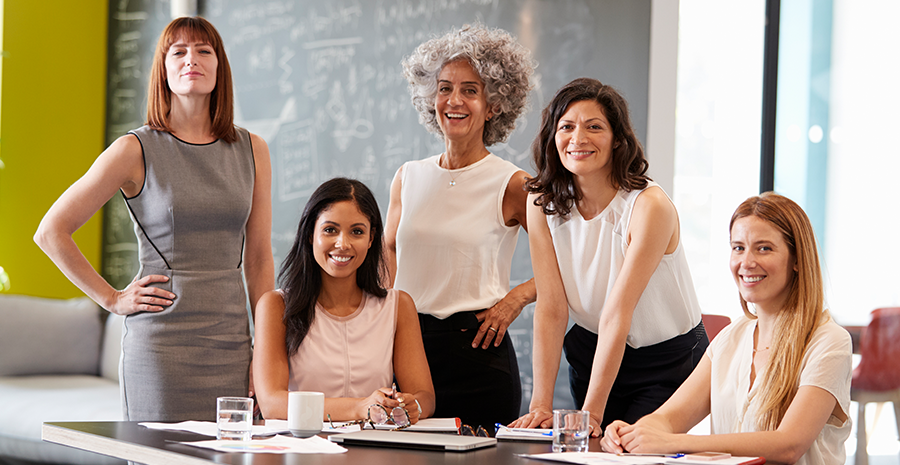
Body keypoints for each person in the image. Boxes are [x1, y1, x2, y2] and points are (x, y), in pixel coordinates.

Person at [34, 17, 274, 422]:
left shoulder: (253, 149)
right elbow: (50, 232)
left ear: (220, 66)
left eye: (203, 50)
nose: (190, 60)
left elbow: (259, 260)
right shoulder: (134, 148)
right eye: (177, 52)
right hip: (161, 347)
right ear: (163, 69)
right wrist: (112, 299)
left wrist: (265, 349)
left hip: (231, 344)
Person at [511, 78, 708, 435]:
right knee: (589, 453)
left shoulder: (649, 206)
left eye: (594, 127)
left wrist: (592, 415)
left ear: (618, 139)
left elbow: (619, 313)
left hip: (667, 360)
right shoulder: (542, 201)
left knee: (631, 450)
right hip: (592, 349)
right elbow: (553, 307)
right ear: (552, 138)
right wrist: (540, 404)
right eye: (566, 127)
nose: (578, 139)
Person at [601, 193, 852, 465]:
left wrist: (677, 443)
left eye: (764, 248)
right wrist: (632, 432)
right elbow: (669, 418)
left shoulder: (829, 342)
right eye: (738, 248)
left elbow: (789, 445)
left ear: (796, 259)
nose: (746, 262)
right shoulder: (730, 339)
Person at [384, 24, 537, 428]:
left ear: (495, 105)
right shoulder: (407, 176)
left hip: (479, 354)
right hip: (407, 351)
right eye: (445, 88)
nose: (454, 100)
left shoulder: (514, 183)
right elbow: (387, 254)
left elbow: (565, 265)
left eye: (470, 89)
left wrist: (515, 299)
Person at [253, 178, 435, 424]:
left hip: (375, 451)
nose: (343, 243)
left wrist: (411, 406)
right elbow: (272, 403)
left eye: (357, 232)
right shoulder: (275, 306)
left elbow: (425, 397)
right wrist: (359, 408)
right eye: (330, 230)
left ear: (371, 240)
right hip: (304, 451)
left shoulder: (398, 306)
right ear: (310, 235)